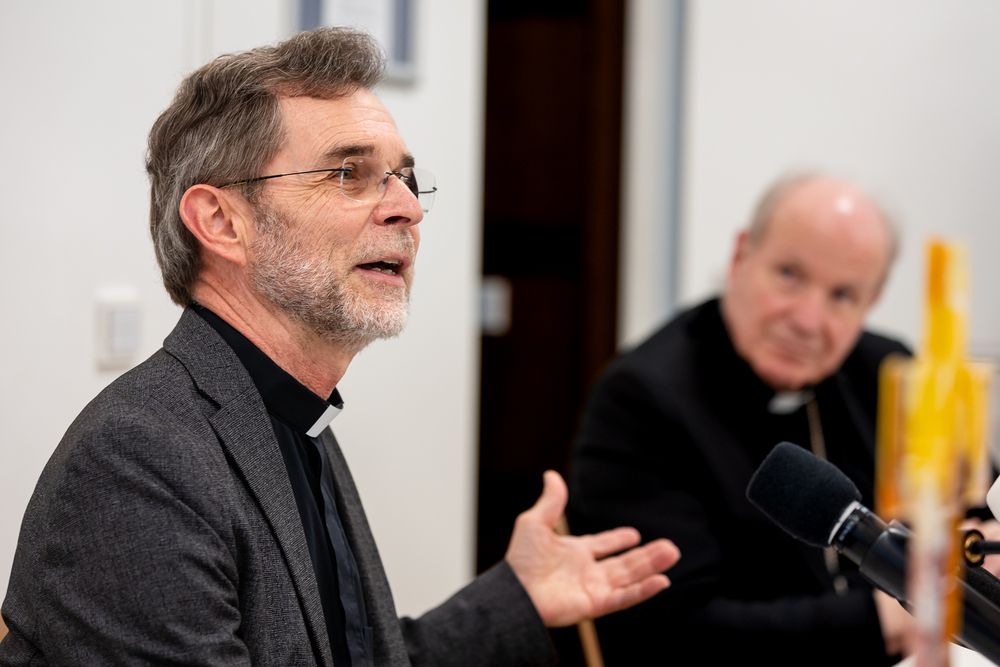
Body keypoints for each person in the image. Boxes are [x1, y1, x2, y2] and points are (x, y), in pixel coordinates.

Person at [0, 27, 679, 667]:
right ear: (221, 221)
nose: (407, 208)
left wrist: (518, 599)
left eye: (404, 177)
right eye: (349, 173)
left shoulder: (294, 416)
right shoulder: (139, 460)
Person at [568, 175, 915, 666]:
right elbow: (677, 631)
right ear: (741, 257)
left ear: (870, 304)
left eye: (842, 296)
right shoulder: (641, 401)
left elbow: (976, 515)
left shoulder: (889, 372)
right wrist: (885, 620)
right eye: (790, 274)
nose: (807, 321)